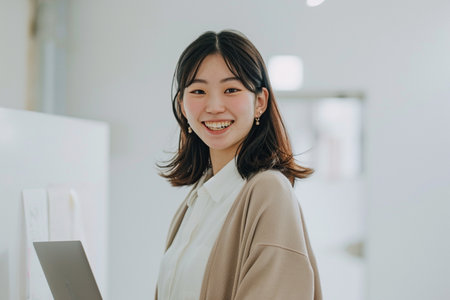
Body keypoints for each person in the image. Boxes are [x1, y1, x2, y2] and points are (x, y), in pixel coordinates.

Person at [156, 29, 322, 300]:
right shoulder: (197, 199)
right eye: (198, 91)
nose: (214, 106)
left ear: (260, 102)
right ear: (183, 107)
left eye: (231, 89)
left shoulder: (268, 191)